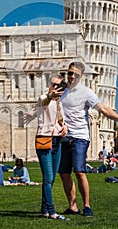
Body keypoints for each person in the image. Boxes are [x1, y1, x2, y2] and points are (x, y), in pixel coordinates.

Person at [46, 62, 118, 217]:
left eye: (75, 74)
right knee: (64, 173)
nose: (72, 76)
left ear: (81, 76)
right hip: (63, 136)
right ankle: (73, 206)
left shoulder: (86, 92)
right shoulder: (61, 90)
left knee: (79, 171)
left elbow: (103, 108)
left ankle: (87, 205)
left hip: (80, 136)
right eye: (70, 73)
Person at [35, 75, 68, 220]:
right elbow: (45, 101)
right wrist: (50, 95)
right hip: (44, 140)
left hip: (57, 142)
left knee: (52, 178)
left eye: (57, 85)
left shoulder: (60, 103)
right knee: (48, 178)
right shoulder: (43, 98)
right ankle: (52, 211)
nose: (53, 87)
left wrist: (64, 126)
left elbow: (61, 120)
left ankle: (44, 210)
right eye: (52, 84)